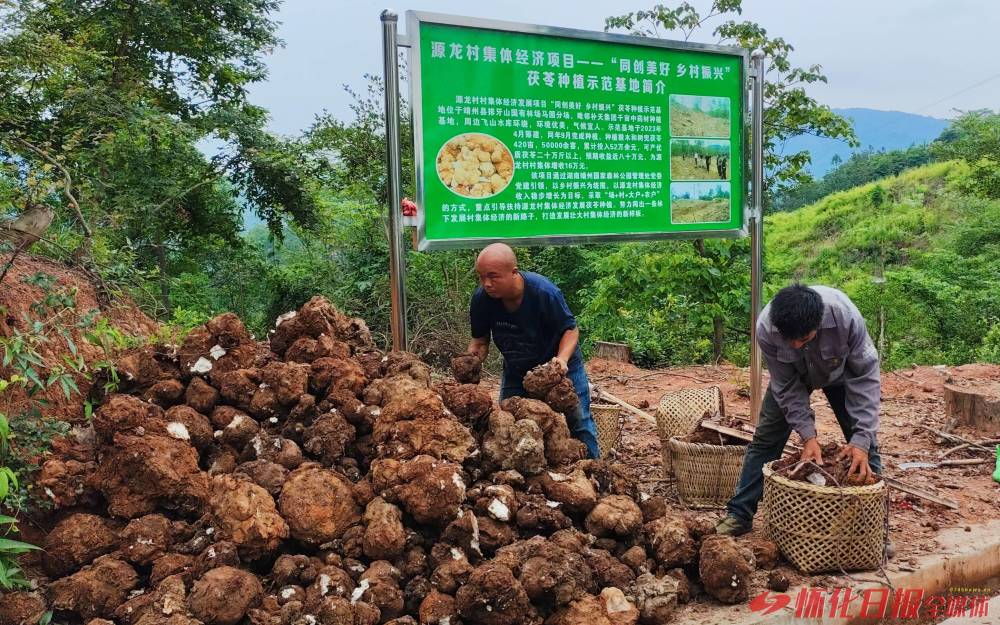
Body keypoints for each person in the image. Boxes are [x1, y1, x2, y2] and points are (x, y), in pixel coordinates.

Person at [716, 284, 883, 535]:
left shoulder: (845, 316)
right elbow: (786, 387)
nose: (795, 345)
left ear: (818, 324)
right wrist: (808, 435)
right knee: (765, 440)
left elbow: (865, 378)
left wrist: (861, 439)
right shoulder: (766, 328)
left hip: (843, 374)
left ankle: (873, 528)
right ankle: (739, 513)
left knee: (864, 445)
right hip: (793, 377)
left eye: (803, 339)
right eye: (789, 340)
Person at [464, 243, 601, 459]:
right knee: (509, 423)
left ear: (514, 272)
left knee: (578, 419)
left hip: (558, 368)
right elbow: (480, 340)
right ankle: (520, 482)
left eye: (493, 276)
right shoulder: (482, 299)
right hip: (517, 369)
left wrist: (561, 361)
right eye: (481, 277)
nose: (486, 284)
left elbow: (571, 330)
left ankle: (596, 471)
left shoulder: (544, 292)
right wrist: (471, 361)